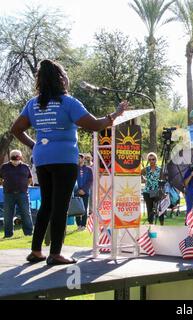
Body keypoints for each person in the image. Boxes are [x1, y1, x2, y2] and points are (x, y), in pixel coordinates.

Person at [11, 59, 128, 265]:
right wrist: (115, 114)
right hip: (64, 160)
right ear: (61, 79)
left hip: (43, 160)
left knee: (47, 204)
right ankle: (55, 254)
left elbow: (16, 129)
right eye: (65, 75)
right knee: (60, 206)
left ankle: (36, 251)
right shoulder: (68, 102)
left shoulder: (33, 104)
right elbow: (94, 125)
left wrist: (35, 146)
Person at [0, 150, 34, 239]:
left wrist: (25, 186)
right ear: (11, 157)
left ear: (20, 156)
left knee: (26, 213)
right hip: (8, 194)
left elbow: (30, 179)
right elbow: (0, 178)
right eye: (13, 156)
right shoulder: (4, 167)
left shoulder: (25, 167)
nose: (15, 157)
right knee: (7, 215)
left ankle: (29, 233)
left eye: (17, 155)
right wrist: (4, 185)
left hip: (23, 194)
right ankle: (8, 234)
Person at [142, 152, 164, 225]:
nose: (151, 161)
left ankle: (162, 224)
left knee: (159, 208)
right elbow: (138, 174)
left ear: (156, 160)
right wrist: (143, 179)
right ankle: (150, 225)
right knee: (149, 209)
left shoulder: (160, 169)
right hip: (147, 191)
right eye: (150, 159)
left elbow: (163, 180)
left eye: (153, 159)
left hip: (156, 191)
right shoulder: (146, 169)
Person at [75, 154, 93, 231]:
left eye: (79, 158)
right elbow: (73, 180)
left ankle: (83, 225)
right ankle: (78, 224)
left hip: (85, 192)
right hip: (76, 191)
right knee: (77, 208)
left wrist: (84, 190)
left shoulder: (88, 169)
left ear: (82, 159)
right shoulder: (74, 169)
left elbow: (90, 180)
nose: (78, 160)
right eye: (77, 158)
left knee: (84, 208)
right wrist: (78, 190)